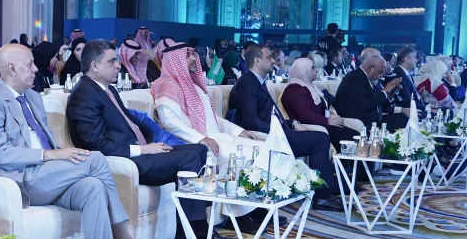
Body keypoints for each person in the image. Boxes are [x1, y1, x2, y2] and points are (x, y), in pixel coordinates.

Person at [0, 43, 147, 239]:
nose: (36, 69)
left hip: (46, 175)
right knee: (96, 159)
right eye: (29, 64)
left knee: (93, 187)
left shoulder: (32, 97)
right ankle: (123, 238)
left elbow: (47, 142)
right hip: (19, 179)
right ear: (11, 69)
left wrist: (58, 155)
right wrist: (50, 155)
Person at [67, 41, 215, 239]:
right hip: (127, 161)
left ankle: (197, 231)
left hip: (143, 152)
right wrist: (143, 149)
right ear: (94, 65)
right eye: (112, 61)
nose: (118, 65)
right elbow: (97, 145)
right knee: (189, 158)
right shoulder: (83, 95)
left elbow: (131, 122)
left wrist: (155, 139)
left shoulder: (106, 89)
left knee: (200, 150)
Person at [226, 47, 342, 212]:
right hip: (268, 136)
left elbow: (270, 115)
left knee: (319, 136)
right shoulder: (247, 83)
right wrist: (277, 131)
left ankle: (324, 189)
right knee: (319, 139)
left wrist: (292, 123)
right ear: (257, 61)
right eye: (269, 57)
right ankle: (322, 196)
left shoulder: (256, 81)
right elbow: (249, 119)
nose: (273, 60)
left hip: (278, 131)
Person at [154, 43, 262, 160]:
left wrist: (238, 131)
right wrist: (199, 138)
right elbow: (169, 122)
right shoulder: (167, 86)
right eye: (188, 55)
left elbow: (212, 119)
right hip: (196, 144)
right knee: (257, 156)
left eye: (193, 54)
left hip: (219, 138)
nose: (194, 58)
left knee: (264, 149)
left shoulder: (195, 87)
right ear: (176, 61)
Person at [280, 57, 360, 148]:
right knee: (350, 136)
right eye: (312, 68)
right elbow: (305, 116)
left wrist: (332, 117)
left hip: (321, 124)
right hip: (312, 128)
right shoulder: (294, 90)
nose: (317, 70)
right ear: (303, 71)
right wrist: (327, 121)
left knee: (354, 135)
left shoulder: (310, 87)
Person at [335, 54, 408, 129]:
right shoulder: (355, 78)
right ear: (370, 69)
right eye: (380, 72)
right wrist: (385, 90)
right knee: (401, 120)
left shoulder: (367, 78)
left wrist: (391, 93)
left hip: (374, 118)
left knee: (402, 118)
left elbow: (379, 104)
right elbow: (365, 105)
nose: (382, 76)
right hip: (361, 121)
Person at [390, 48, 426, 115]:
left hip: (415, 108)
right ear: (407, 60)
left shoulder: (406, 74)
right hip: (407, 113)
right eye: (415, 57)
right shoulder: (399, 75)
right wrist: (425, 108)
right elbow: (406, 101)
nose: (416, 60)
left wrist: (427, 106)